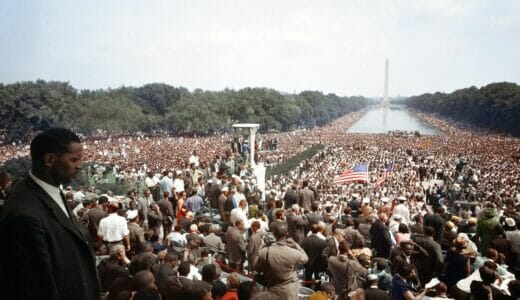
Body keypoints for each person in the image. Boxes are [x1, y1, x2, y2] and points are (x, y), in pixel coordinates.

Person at [0, 128, 100, 299]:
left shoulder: (51, 190)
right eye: (74, 159)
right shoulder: (24, 213)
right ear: (50, 159)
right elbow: (36, 286)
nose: (79, 165)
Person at [254, 223, 308, 300]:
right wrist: (296, 245)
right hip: (290, 291)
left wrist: (261, 247)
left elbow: (255, 267)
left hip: (273, 290)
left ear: (274, 234)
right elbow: (305, 258)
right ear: (287, 233)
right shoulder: (293, 252)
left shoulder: (265, 252)